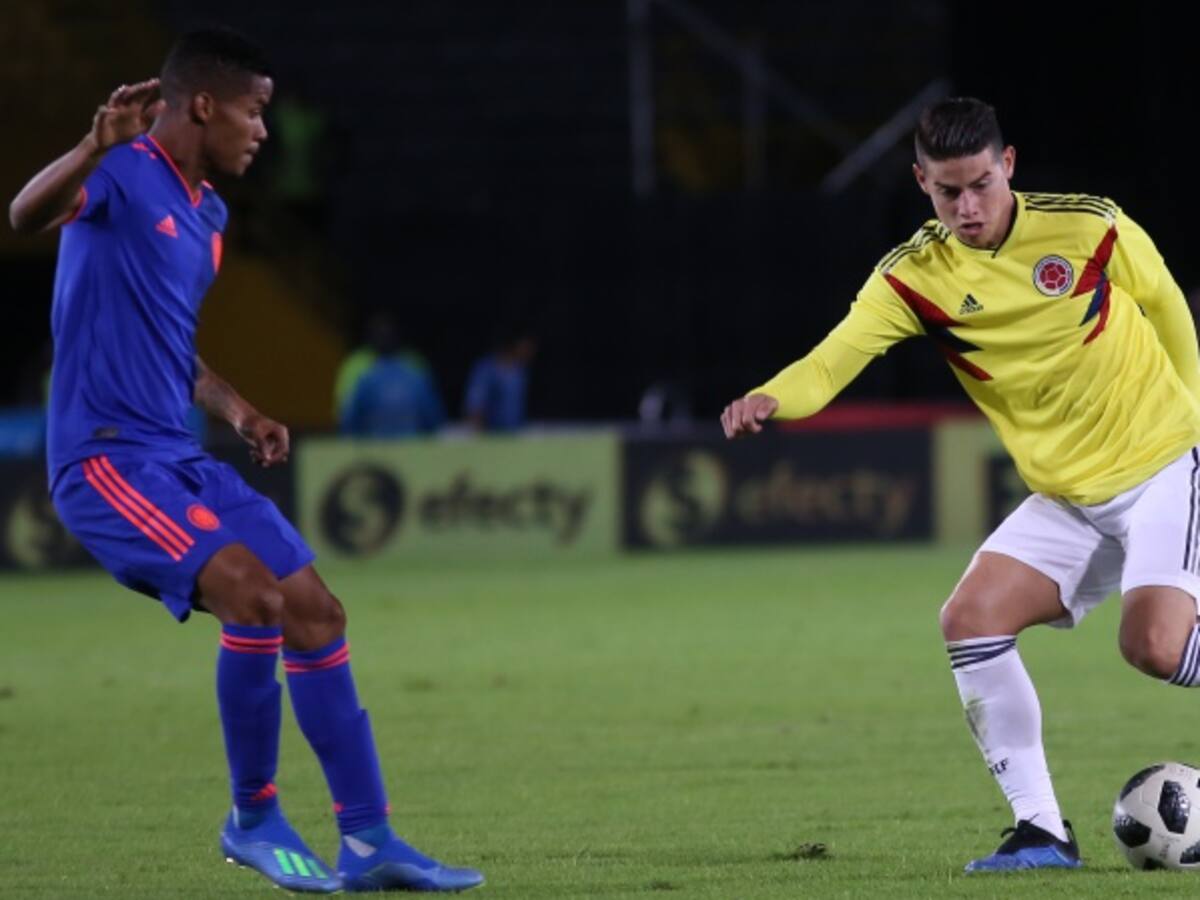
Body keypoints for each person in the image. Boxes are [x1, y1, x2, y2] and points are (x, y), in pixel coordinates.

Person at [8, 28, 483, 894]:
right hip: (107, 463)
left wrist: (238, 407)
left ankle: (370, 840)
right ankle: (253, 816)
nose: (264, 130)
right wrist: (89, 145)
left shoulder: (210, 217)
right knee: (254, 597)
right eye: (256, 111)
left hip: (179, 455)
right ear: (204, 104)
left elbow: (170, 346)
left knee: (316, 612)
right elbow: (23, 216)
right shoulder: (118, 171)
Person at [721, 97, 1200, 872]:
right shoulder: (915, 277)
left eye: (981, 183)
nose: (968, 206)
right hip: (1069, 498)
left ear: (1008, 165)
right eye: (949, 192)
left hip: (1162, 468)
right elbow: (832, 361)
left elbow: (1168, 306)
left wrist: (1196, 421)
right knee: (970, 619)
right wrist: (774, 397)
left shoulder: (1089, 227)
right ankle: (1042, 832)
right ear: (921, 183)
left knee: (1152, 645)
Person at [336, 312, 444, 438]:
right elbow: (434, 421)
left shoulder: (366, 379)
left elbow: (349, 424)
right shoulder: (415, 375)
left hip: (375, 452)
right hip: (412, 452)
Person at [463, 331, 536, 432]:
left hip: (514, 433)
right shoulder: (486, 369)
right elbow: (475, 403)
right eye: (525, 347)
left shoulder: (521, 371)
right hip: (491, 434)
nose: (529, 352)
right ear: (514, 346)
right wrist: (477, 432)